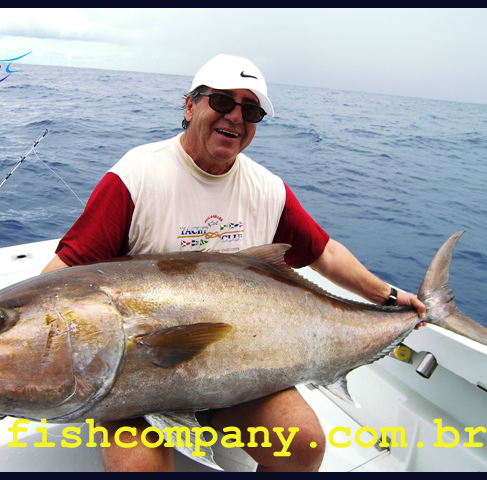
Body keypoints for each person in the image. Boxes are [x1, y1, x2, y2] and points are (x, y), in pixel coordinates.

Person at [41, 54, 427, 472]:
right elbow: (64, 274)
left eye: (251, 109)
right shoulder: (136, 177)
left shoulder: (268, 190)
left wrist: (387, 296)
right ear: (189, 106)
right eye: (222, 101)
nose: (236, 117)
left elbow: (324, 252)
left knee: (304, 444)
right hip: (134, 381)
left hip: (240, 375)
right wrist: (17, 367)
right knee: (138, 467)